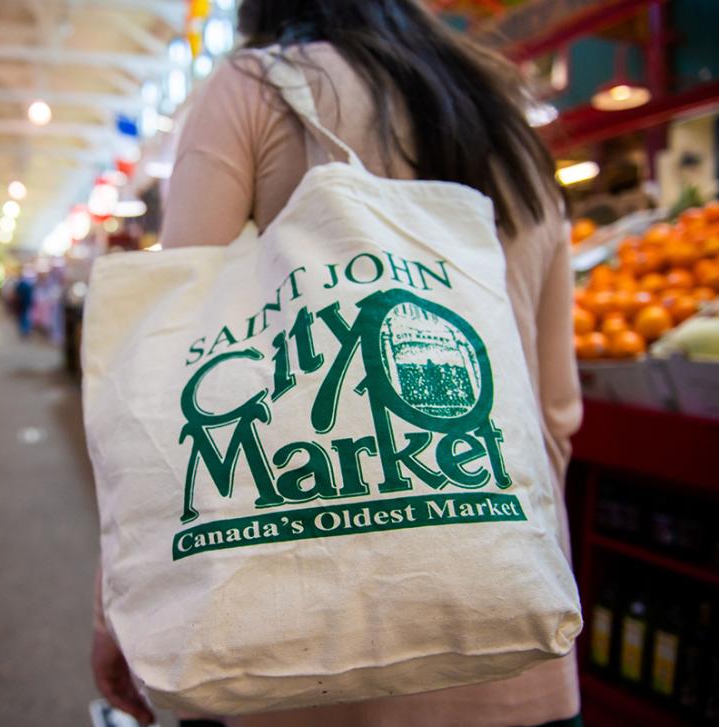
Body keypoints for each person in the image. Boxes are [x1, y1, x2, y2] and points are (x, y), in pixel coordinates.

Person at [91, 1, 583, 725]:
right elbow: (553, 418)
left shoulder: (254, 88)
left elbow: (171, 378)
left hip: (301, 674)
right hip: (517, 654)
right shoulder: (510, 128)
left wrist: (119, 603)